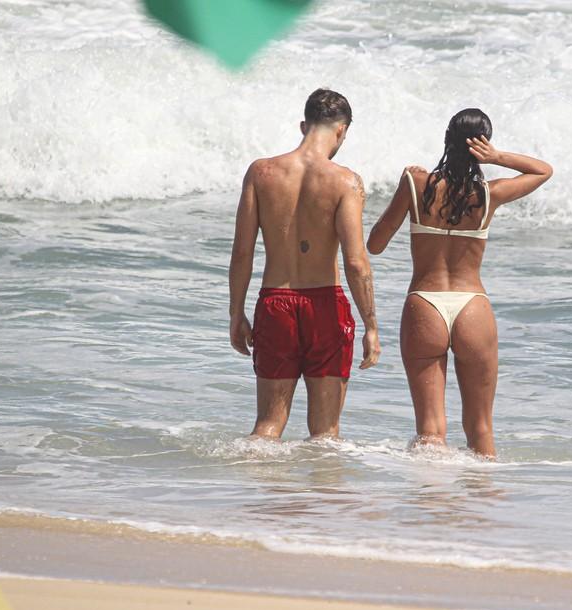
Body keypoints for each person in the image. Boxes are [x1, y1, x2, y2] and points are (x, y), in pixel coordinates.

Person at [367, 109, 552, 458]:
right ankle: (480, 507)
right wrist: (499, 157)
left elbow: (374, 245)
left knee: (430, 432)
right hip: (473, 307)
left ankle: (432, 505)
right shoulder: (488, 194)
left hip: (425, 304)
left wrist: (403, 186)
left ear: (447, 140)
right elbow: (543, 170)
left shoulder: (415, 184)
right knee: (481, 429)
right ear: (482, 145)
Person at [229, 88, 380, 441]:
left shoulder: (261, 173)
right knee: (325, 434)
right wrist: (371, 325)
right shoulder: (346, 181)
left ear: (303, 126)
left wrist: (236, 313)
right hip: (325, 307)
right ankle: (321, 497)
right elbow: (356, 262)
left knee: (266, 428)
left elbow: (242, 253)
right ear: (341, 131)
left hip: (275, 303)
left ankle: (257, 491)